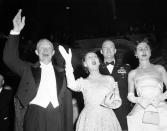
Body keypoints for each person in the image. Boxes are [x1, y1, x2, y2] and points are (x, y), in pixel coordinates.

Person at [3, 9, 73, 131]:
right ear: (36, 52)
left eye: (48, 48)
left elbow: (68, 105)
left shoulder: (64, 72)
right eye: (42, 48)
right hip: (34, 116)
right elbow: (9, 58)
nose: (45, 51)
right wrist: (16, 31)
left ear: (53, 53)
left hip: (57, 117)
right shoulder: (28, 69)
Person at [59, 45, 122, 131]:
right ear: (85, 64)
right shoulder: (83, 82)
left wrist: (110, 104)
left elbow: (117, 99)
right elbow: (71, 85)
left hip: (107, 118)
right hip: (89, 119)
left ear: (99, 62)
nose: (93, 58)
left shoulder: (109, 79)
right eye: (89, 57)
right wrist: (68, 63)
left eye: (95, 57)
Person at [127, 39, 167, 131]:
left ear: (150, 52)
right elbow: (130, 96)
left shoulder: (160, 68)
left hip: (160, 107)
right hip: (141, 108)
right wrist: (140, 100)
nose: (144, 51)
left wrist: (159, 98)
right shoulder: (132, 73)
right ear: (136, 54)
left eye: (146, 48)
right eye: (140, 49)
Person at [99, 39, 132, 131]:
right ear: (101, 51)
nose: (108, 50)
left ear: (115, 50)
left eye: (111, 47)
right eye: (105, 48)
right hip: (103, 111)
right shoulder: (95, 70)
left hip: (123, 111)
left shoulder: (126, 67)